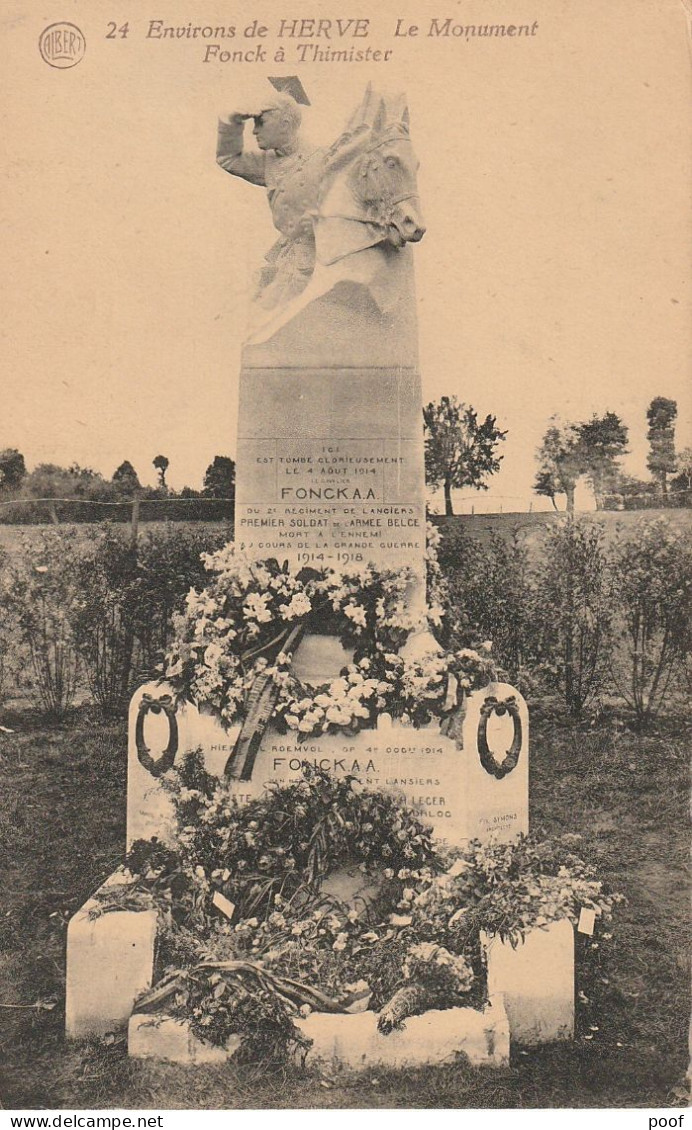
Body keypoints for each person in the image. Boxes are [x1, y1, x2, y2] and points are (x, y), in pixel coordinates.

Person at [216, 95, 325, 311]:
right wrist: (232, 122)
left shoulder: (322, 159)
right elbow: (227, 159)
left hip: (317, 262)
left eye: (260, 122)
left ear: (284, 125)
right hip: (287, 261)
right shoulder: (268, 161)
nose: (254, 131)